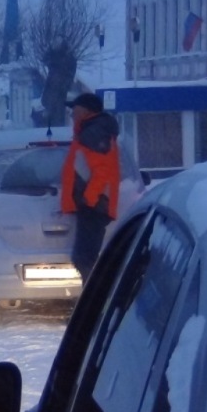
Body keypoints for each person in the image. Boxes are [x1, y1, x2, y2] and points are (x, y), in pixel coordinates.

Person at [60, 92, 122, 283]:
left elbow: (103, 171)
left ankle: (95, 301)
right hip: (93, 205)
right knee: (85, 258)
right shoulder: (92, 131)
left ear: (86, 111)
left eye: (75, 110)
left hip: (94, 206)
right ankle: (95, 298)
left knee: (84, 259)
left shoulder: (93, 133)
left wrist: (90, 198)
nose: (71, 115)